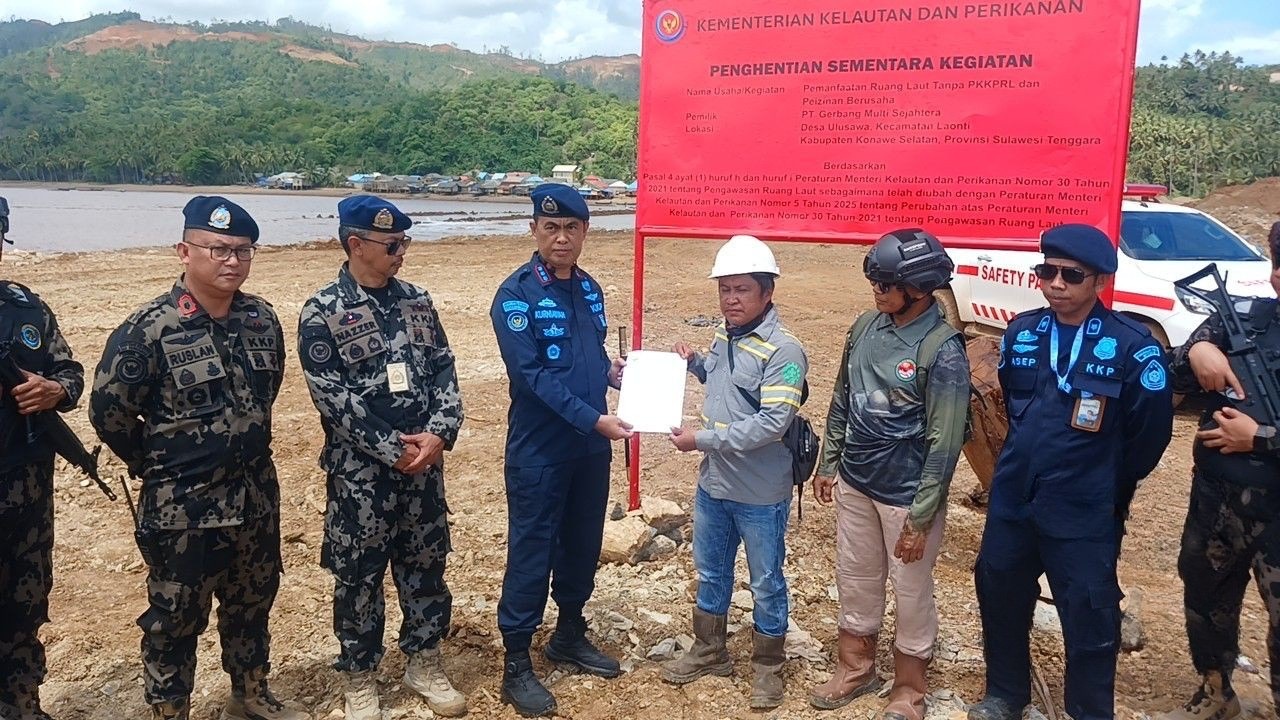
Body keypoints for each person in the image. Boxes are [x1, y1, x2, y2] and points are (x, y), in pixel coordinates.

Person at [89, 197, 304, 720]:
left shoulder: (262, 320)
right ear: (185, 251)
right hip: (183, 508)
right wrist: (161, 464)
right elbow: (109, 413)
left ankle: (250, 695)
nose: (231, 261)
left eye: (242, 251)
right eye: (218, 249)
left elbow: (265, 393)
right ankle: (170, 710)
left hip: (255, 498)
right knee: (174, 618)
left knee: (252, 604)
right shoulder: (149, 329)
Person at [967, 223, 1174, 720]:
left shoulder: (1132, 347)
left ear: (1100, 281)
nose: (1056, 283)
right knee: (999, 591)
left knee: (1089, 612)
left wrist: (1107, 484)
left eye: (1071, 275)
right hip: (1016, 499)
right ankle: (1005, 693)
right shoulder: (1022, 332)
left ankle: (1088, 709)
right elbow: (1014, 411)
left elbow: (1150, 435)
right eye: (1048, 271)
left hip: (1084, 509)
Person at [297, 195, 465, 720]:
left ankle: (424, 659)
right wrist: (395, 451)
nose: (401, 253)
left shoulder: (417, 301)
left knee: (425, 566)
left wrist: (438, 434)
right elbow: (333, 399)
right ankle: (359, 675)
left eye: (404, 242)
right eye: (393, 244)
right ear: (356, 245)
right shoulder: (322, 311)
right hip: (361, 478)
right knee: (358, 577)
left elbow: (443, 370)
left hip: (423, 470)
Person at [809, 229, 969, 720]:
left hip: (907, 493)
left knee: (911, 588)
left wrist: (921, 518)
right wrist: (828, 461)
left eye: (886, 282)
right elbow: (842, 397)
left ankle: (909, 689)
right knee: (856, 576)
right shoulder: (865, 327)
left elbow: (945, 443)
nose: (876, 290)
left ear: (918, 287)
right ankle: (855, 668)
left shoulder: (943, 351)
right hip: (857, 481)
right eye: (874, 280)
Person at [489, 183, 630, 718]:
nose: (562, 237)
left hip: (590, 450)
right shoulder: (516, 294)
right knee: (532, 550)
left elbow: (587, 358)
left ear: (586, 232)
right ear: (534, 230)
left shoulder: (590, 289)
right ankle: (516, 663)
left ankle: (569, 632)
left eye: (572, 228)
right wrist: (595, 418)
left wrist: (615, 376)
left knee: (582, 542)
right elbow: (532, 378)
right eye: (551, 227)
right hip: (540, 451)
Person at [661, 234, 809, 710]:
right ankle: (710, 649)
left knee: (765, 580)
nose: (731, 299)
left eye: (742, 289)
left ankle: (768, 666)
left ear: (767, 293)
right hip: (714, 484)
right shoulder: (725, 335)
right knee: (710, 571)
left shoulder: (786, 352)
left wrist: (698, 440)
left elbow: (771, 423)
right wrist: (695, 364)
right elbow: (727, 382)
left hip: (761, 492)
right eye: (725, 289)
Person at [1158, 220, 1280, 720]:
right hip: (1219, 502)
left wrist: (1259, 439)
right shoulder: (1246, 320)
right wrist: (1199, 350)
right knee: (1205, 598)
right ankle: (1215, 693)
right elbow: (1171, 371)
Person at [0, 197, 85, 720]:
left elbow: (71, 371)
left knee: (24, 606)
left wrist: (55, 389)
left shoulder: (27, 309)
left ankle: (22, 706)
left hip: (24, 492)